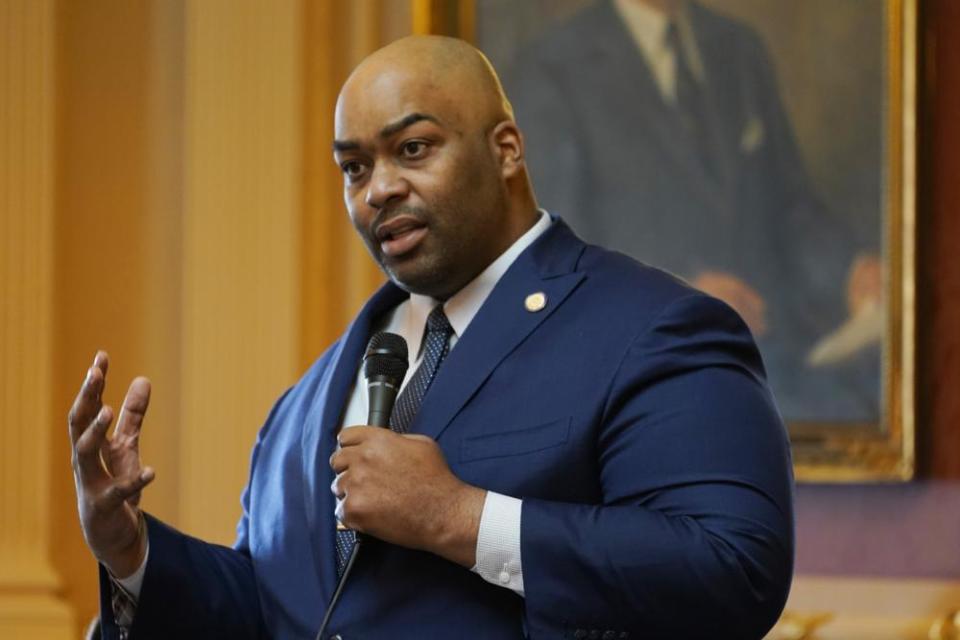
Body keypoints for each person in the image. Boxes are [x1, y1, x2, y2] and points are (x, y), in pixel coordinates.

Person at [69, 35, 794, 639]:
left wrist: (459, 517)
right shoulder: (306, 400)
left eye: (411, 149)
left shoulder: (653, 329)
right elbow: (280, 606)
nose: (377, 188)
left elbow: (735, 570)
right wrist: (132, 552)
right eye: (354, 167)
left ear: (506, 149)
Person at [504, 0, 882, 422]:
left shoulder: (738, 48)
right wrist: (675, 296)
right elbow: (553, 254)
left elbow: (791, 208)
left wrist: (849, 270)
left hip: (777, 353)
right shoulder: (554, 66)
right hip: (645, 377)